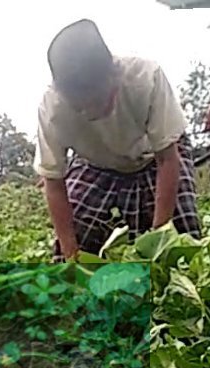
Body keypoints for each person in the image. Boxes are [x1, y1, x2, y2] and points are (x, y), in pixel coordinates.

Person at [33, 19, 200, 261]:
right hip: (96, 164)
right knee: (69, 247)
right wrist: (71, 255)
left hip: (155, 159)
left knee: (184, 240)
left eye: (98, 101)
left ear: (114, 74)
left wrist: (159, 236)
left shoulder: (146, 78)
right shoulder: (52, 108)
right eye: (80, 107)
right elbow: (54, 183)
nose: (90, 113)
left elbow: (167, 159)